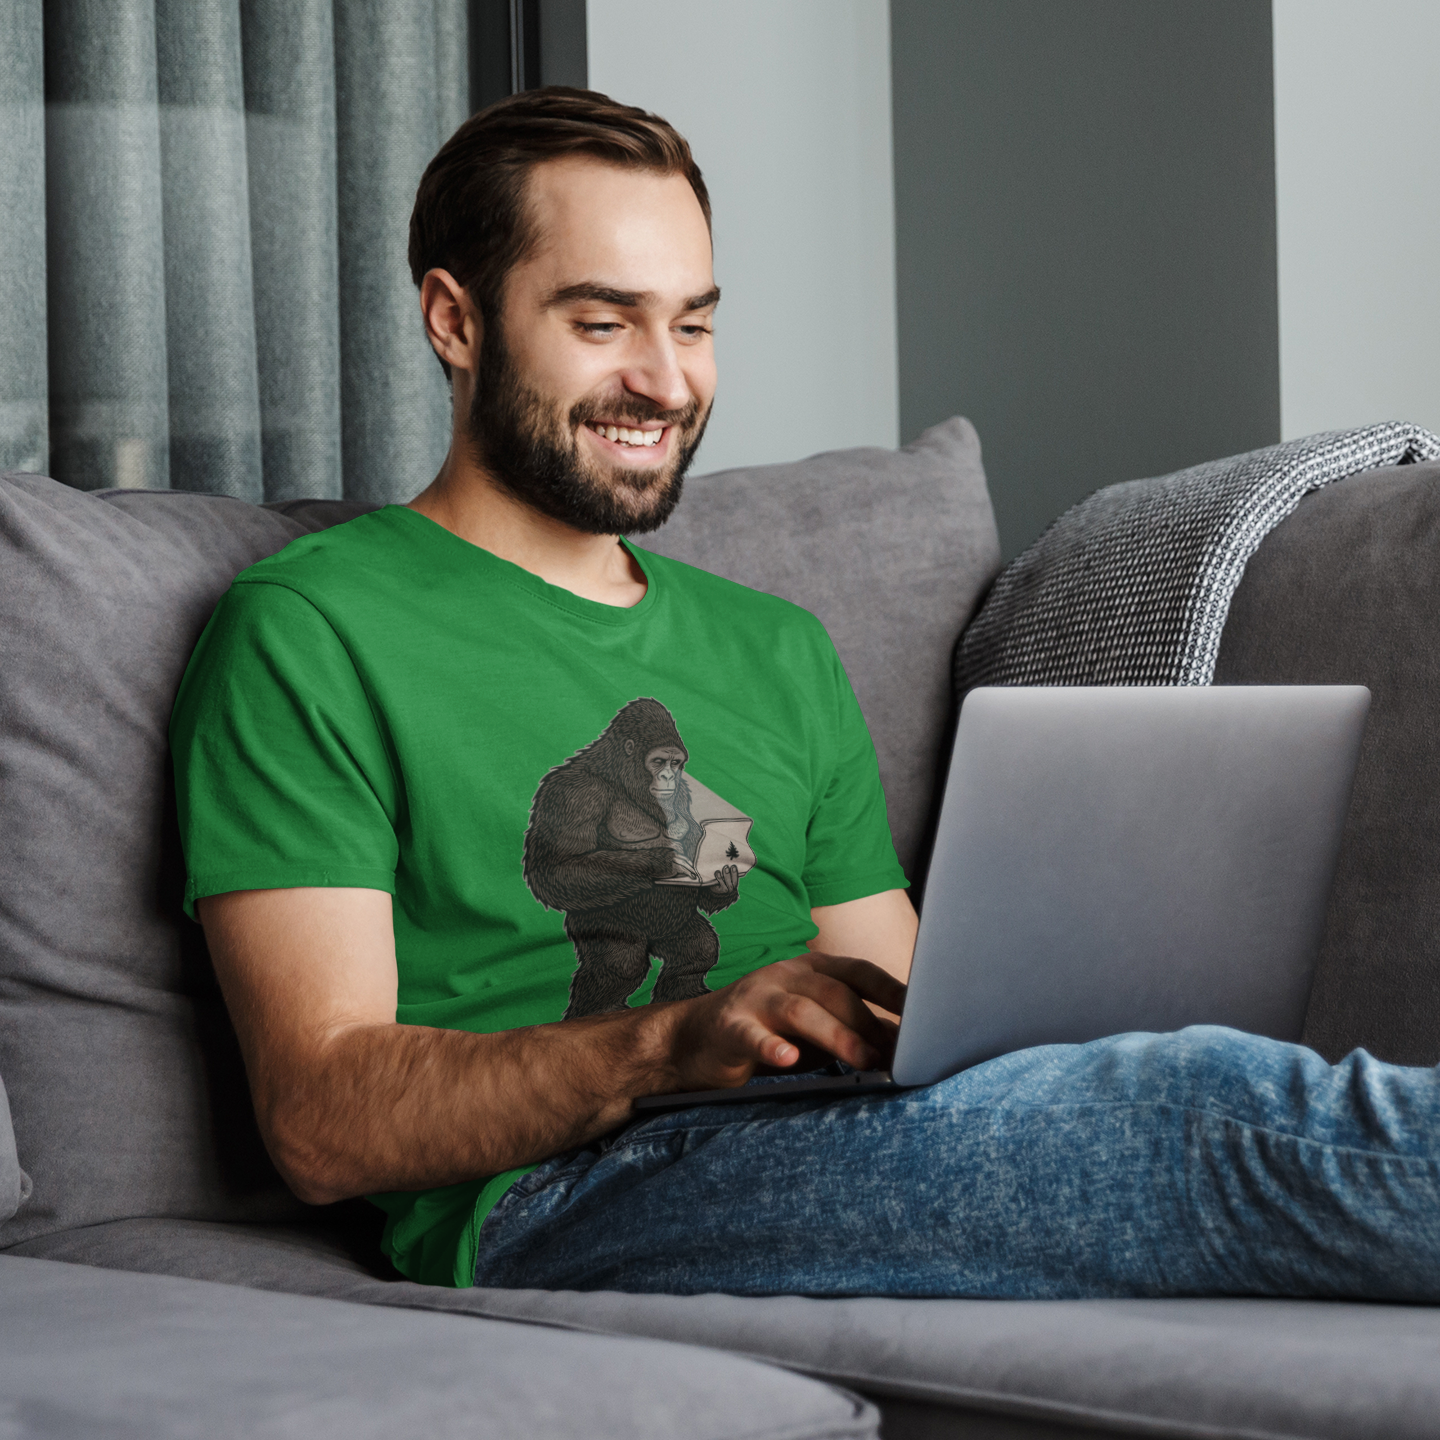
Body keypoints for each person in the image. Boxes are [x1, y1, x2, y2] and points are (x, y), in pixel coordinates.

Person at [170, 87, 1440, 1299]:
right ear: (454, 320)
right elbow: (321, 1117)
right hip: (557, 1190)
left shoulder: (774, 646)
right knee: (1207, 1125)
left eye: (695, 322)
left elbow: (922, 1009)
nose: (666, 382)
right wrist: (673, 1043)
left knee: (1183, 1095)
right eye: (603, 324)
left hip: (820, 1133)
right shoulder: (312, 629)